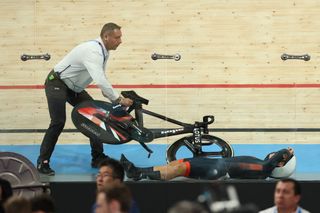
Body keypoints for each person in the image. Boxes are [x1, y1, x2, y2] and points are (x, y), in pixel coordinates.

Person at [37, 22, 133, 175]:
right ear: (106, 36)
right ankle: (43, 161)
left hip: (74, 88)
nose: (120, 41)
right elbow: (100, 80)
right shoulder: (93, 50)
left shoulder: (104, 51)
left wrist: (109, 94)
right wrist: (118, 99)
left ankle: (97, 157)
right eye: (117, 37)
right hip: (57, 83)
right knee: (58, 121)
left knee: (96, 115)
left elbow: (101, 76)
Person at [120, 147, 296, 181]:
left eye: (279, 157)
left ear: (279, 164)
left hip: (217, 169)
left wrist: (286, 152)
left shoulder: (262, 170)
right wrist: (282, 155)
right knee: (176, 163)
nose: (275, 152)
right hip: (215, 164)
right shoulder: (260, 164)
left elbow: (267, 166)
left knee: (179, 169)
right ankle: (136, 170)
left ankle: (139, 175)